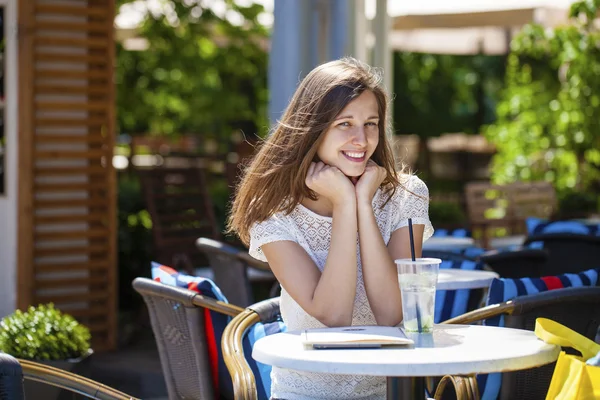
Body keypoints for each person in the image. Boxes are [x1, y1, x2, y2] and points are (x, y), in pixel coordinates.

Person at [228, 57, 433, 400]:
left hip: (393, 389)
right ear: (313, 128)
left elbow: (390, 313)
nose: (361, 139)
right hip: (308, 391)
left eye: (371, 123)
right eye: (344, 124)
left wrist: (362, 205)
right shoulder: (272, 209)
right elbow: (334, 314)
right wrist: (343, 204)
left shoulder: (407, 195)